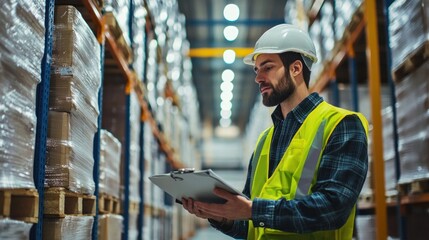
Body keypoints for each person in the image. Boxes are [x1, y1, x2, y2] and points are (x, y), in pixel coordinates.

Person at [182, 24, 368, 240]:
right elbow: (252, 224)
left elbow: (333, 208)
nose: (258, 78)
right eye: (256, 70)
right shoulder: (264, 142)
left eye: (267, 67)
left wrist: (253, 210)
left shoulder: (341, 125)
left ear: (296, 69)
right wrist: (221, 214)